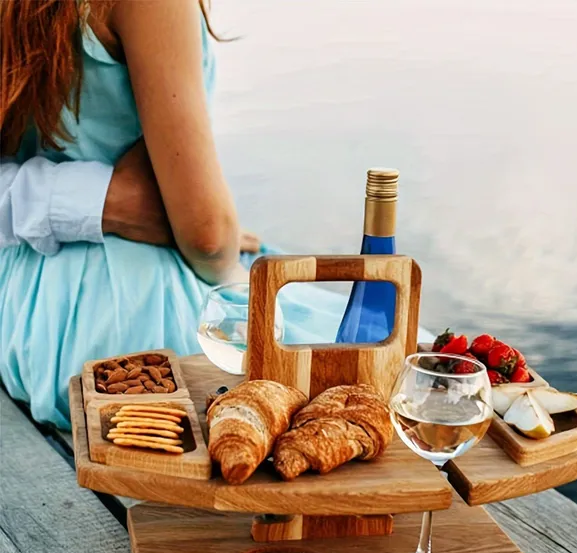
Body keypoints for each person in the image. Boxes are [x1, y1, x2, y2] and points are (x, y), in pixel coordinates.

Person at [0, 0, 349, 428]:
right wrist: (227, 264)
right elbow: (207, 237)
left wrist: (93, 200)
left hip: (25, 320)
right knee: (386, 361)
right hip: (133, 335)